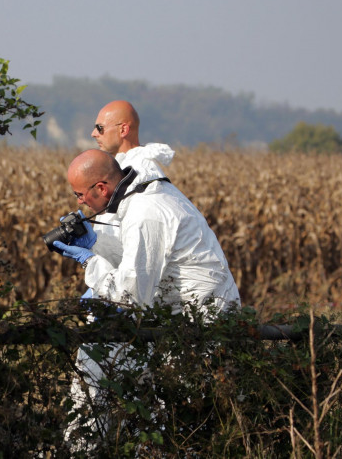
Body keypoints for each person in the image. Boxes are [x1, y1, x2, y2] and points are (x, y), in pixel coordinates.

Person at [55, 149, 240, 447]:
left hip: (198, 325)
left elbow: (131, 296)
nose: (80, 203)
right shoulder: (145, 198)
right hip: (186, 318)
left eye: (79, 194)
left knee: (183, 423)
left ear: (101, 188)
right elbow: (145, 261)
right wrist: (97, 243)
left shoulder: (145, 213)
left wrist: (90, 262)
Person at [91, 100, 174, 181]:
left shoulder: (142, 172)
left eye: (100, 128)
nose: (93, 134)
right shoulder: (124, 166)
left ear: (123, 130)